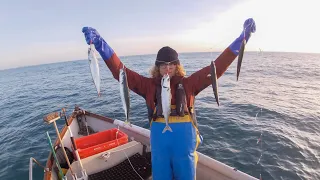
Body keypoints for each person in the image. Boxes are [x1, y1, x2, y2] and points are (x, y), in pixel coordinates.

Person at [82, 18, 256, 180]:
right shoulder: (148, 85)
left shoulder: (189, 84)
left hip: (184, 145)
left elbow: (217, 67)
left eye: (171, 64)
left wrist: (242, 39)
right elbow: (121, 72)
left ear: (177, 65)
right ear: (158, 67)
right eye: (164, 65)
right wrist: (100, 44)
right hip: (160, 146)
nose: (168, 68)